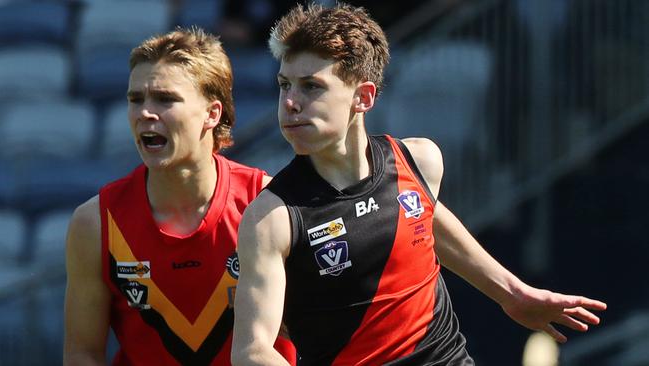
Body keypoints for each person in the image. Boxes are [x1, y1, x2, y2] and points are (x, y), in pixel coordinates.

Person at [231, 3, 607, 365]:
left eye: (311, 87)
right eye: (284, 85)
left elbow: (424, 219)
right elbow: (252, 351)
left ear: (363, 97)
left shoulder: (420, 161)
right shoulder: (271, 217)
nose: (291, 102)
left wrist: (513, 294)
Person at [63, 28, 296, 365]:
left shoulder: (268, 204)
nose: (145, 112)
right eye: (135, 99)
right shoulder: (96, 223)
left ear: (212, 114)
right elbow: (82, 354)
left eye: (165, 98)